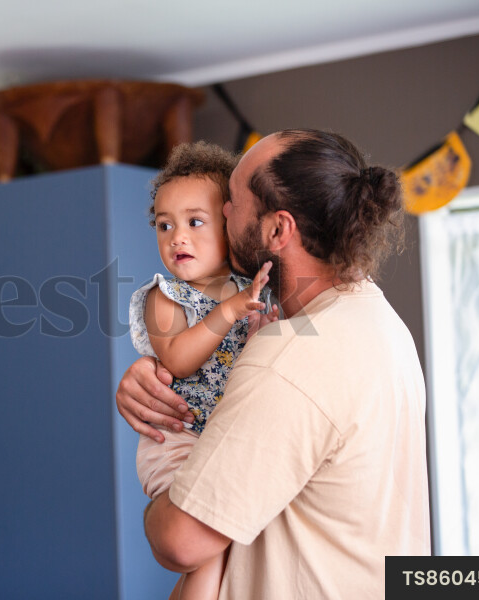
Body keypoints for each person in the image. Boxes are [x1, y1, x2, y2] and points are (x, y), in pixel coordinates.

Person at [116, 129, 430, 599]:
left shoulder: (289, 355)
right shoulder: (378, 321)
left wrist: (166, 496)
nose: (223, 211)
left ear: (278, 229)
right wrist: (157, 372)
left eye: (233, 201)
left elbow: (179, 542)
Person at [128, 142, 277, 599]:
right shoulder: (165, 297)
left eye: (195, 222)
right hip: (177, 441)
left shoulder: (249, 289)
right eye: (164, 225)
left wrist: (258, 327)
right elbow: (176, 358)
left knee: (227, 552)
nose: (177, 237)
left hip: (218, 439)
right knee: (206, 547)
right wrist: (230, 311)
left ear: (230, 227)